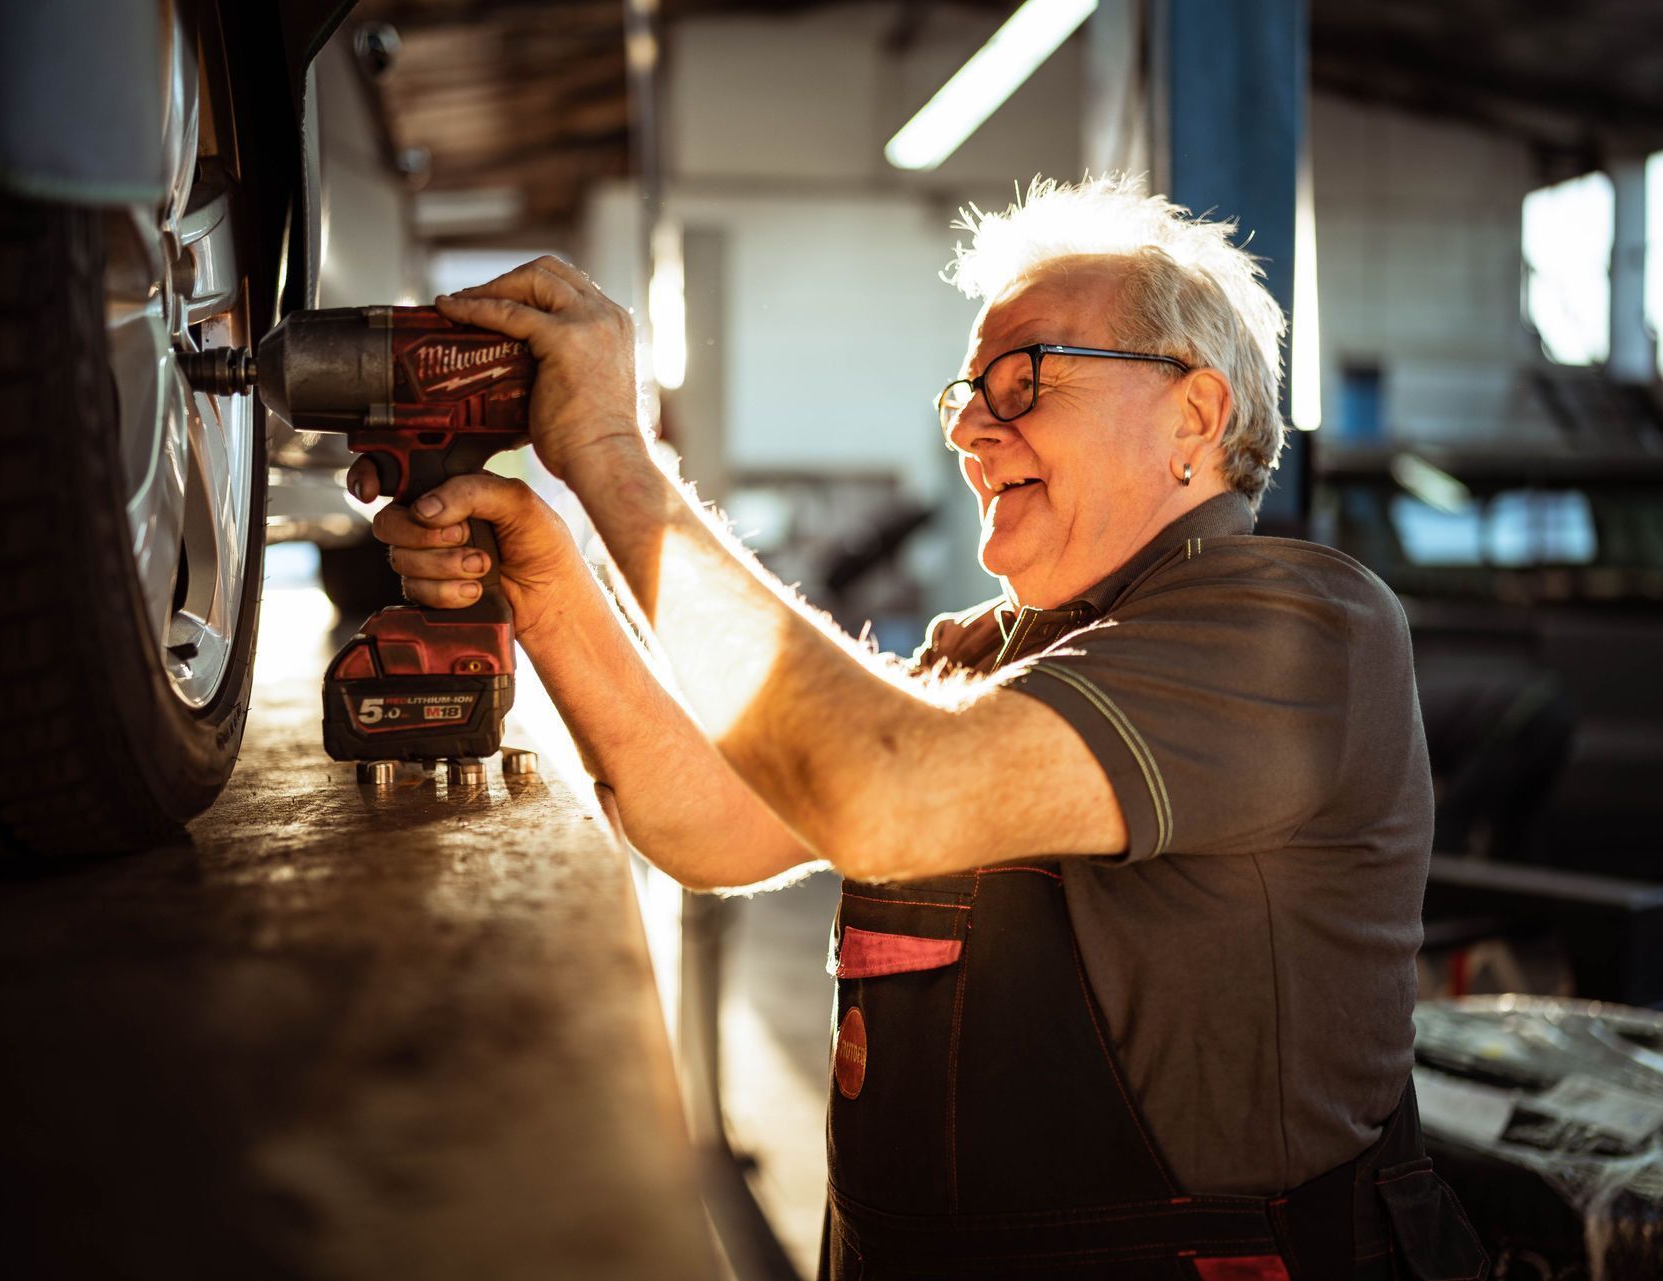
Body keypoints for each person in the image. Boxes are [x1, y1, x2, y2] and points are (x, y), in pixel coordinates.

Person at [351, 176, 1485, 1279]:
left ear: (1195, 410)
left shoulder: (1298, 631)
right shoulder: (988, 654)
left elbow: (888, 796)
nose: (972, 432)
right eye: (966, 397)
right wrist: (546, 575)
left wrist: (611, 458)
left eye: (1024, 381)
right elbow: (714, 827)